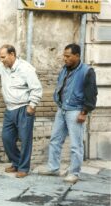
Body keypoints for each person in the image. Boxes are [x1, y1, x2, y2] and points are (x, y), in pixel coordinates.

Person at [0, 41, 43, 178]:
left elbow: (36, 88)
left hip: (24, 108)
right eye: (0, 57)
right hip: (10, 110)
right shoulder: (3, 67)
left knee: (25, 140)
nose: (1, 60)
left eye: (3, 57)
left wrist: (32, 106)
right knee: (7, 138)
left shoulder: (26, 68)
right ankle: (17, 162)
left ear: (12, 54)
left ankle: (23, 168)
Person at [39, 44, 98, 183]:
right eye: (64, 55)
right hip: (62, 109)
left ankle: (74, 173)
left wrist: (84, 112)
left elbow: (92, 94)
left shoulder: (87, 71)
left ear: (77, 56)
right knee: (55, 139)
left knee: (76, 144)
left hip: (76, 110)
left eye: (68, 56)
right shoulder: (65, 69)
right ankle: (53, 168)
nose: (64, 58)